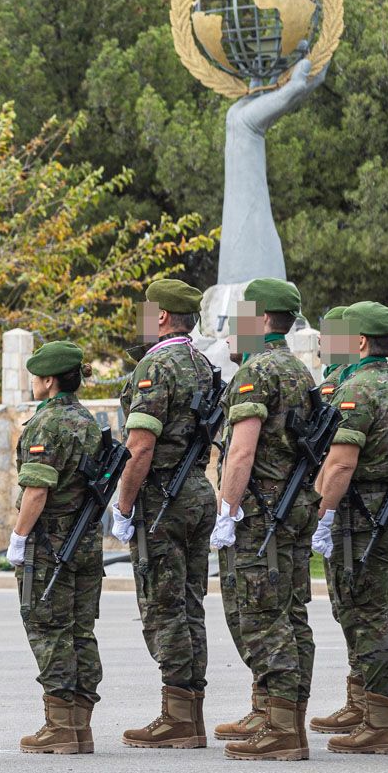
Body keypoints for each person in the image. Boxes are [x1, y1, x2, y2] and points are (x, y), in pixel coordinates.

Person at [209, 277, 318, 761]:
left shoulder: (256, 375)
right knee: (291, 613)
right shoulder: (299, 372)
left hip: (262, 513)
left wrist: (227, 510)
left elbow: (241, 451)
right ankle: (279, 713)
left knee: (261, 613)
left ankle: (282, 729)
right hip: (292, 510)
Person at [307, 302, 388, 754]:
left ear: (359, 342)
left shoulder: (357, 391)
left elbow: (341, 462)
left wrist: (321, 512)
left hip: (364, 518)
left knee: (366, 618)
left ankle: (381, 725)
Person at [114, 279, 217, 749]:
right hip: (196, 490)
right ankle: (189, 709)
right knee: (189, 602)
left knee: (162, 604)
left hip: (164, 497)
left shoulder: (156, 366)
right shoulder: (202, 364)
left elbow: (141, 446)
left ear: (160, 316)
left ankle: (178, 715)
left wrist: (123, 504)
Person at [4, 340, 105, 755]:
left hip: (50, 544)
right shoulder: (88, 421)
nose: (32, 383)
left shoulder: (46, 425)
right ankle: (79, 726)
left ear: (48, 380)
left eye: (35, 376)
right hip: (85, 542)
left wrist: (19, 536)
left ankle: (60, 725)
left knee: (48, 628)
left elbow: (37, 490)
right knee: (80, 629)